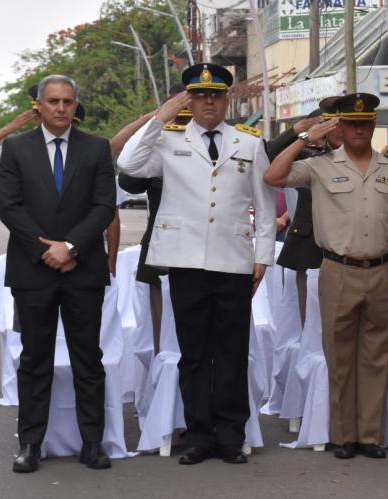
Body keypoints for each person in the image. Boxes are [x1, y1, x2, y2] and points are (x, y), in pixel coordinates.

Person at [118, 63, 276, 465]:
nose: (209, 102)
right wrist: (159, 118)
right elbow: (129, 166)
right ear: (189, 99)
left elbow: (265, 205)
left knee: (232, 352)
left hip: (233, 260)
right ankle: (199, 436)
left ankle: (230, 435)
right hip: (185, 260)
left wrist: (262, 256)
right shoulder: (168, 140)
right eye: (200, 95)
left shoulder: (249, 141)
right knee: (192, 353)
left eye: (216, 95)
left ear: (226, 100)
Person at [264, 93, 388, 460]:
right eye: (351, 124)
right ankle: (345, 435)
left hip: (381, 270)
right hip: (337, 269)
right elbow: (273, 175)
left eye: (365, 124)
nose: (359, 130)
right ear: (340, 127)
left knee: (377, 357)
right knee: (340, 356)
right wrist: (304, 136)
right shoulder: (318, 166)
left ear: (373, 126)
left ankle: (369, 435)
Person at [0, 74, 117, 473]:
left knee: (88, 359)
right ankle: (30, 444)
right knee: (35, 360)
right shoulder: (15, 149)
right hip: (34, 271)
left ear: (75, 104)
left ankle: (92, 443)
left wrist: (71, 247)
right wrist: (45, 248)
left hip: (83, 270)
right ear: (40, 106)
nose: (61, 108)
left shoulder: (97, 148)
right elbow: (9, 208)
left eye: (67, 101)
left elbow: (104, 207)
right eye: (53, 101)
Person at [116, 82, 187, 353]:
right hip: (160, 246)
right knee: (161, 335)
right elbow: (127, 172)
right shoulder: (158, 143)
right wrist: (157, 118)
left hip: (202, 248)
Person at [267, 101, 340, 324]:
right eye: (327, 124)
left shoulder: (346, 156)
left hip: (343, 246)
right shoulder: (303, 154)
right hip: (308, 245)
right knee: (310, 322)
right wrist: (299, 134)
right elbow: (268, 155)